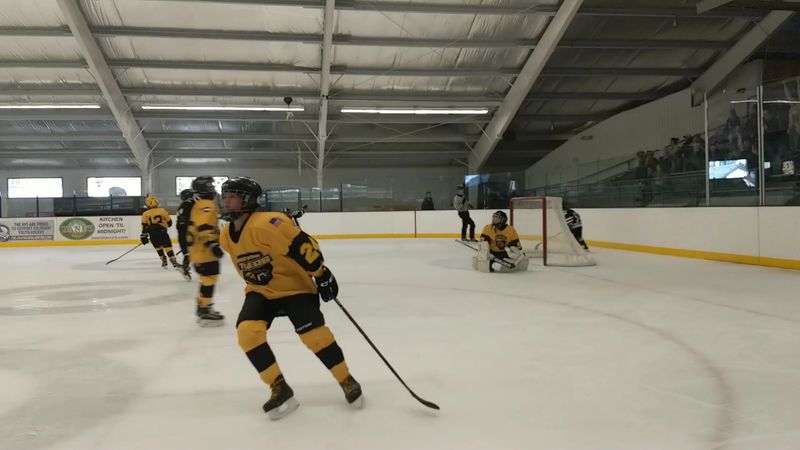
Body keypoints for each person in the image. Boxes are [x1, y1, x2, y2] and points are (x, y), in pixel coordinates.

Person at [218, 177, 363, 420]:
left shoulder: (267, 223)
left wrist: (322, 274)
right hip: (261, 292)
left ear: (247, 200)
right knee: (247, 333)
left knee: (315, 336)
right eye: (224, 197)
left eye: (231, 196)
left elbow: (304, 245)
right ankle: (279, 387)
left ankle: (345, 379)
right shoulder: (225, 235)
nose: (225, 201)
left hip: (295, 288)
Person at [188, 176, 225, 327]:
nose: (212, 188)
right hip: (204, 251)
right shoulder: (206, 204)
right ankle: (204, 309)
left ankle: (203, 305)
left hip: (198, 250)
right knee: (209, 278)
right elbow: (204, 225)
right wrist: (212, 245)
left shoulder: (200, 204)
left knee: (207, 279)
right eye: (209, 185)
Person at [140, 195, 181, 271]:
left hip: (152, 234)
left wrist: (144, 235)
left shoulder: (145, 213)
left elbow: (144, 226)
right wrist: (164, 226)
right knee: (167, 247)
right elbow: (170, 223)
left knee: (158, 247)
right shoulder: (162, 211)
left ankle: (163, 260)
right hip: (162, 232)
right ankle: (173, 261)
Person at [175, 188, 195, 280]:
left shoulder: (181, 205)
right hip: (189, 229)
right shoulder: (191, 203)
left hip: (180, 230)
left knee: (186, 252)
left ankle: (185, 265)